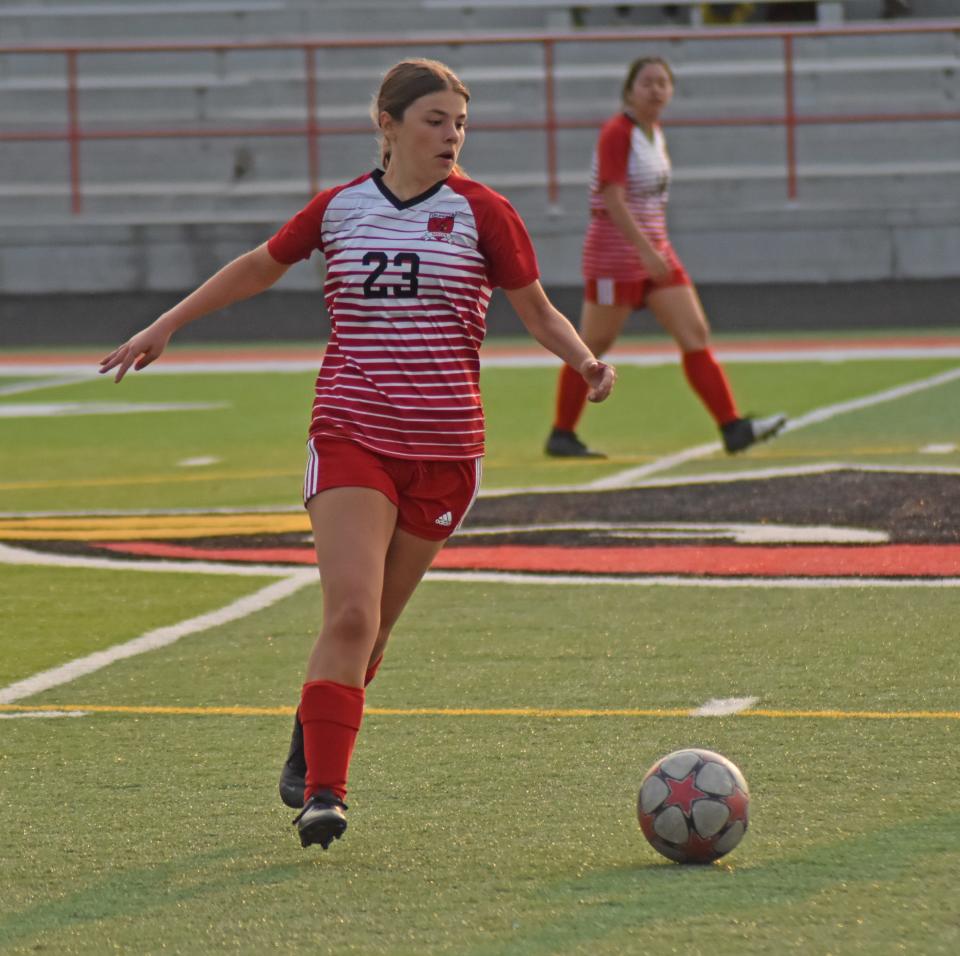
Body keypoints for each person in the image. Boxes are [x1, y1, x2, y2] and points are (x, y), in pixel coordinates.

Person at [99, 58, 615, 851]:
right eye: (435, 120)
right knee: (349, 612)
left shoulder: (484, 212)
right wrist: (166, 323)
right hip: (352, 434)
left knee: (372, 636)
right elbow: (257, 267)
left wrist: (584, 361)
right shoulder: (341, 209)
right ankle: (326, 795)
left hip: (447, 452)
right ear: (389, 125)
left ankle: (313, 734)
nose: (451, 135)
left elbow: (538, 310)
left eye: (460, 123)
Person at [545, 55, 785, 459]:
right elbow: (612, 198)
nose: (656, 90)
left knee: (695, 335)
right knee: (591, 346)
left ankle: (732, 427)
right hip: (616, 256)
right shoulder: (617, 133)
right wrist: (643, 249)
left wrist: (654, 249)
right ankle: (562, 433)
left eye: (663, 83)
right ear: (629, 91)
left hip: (656, 253)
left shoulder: (653, 132)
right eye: (647, 82)